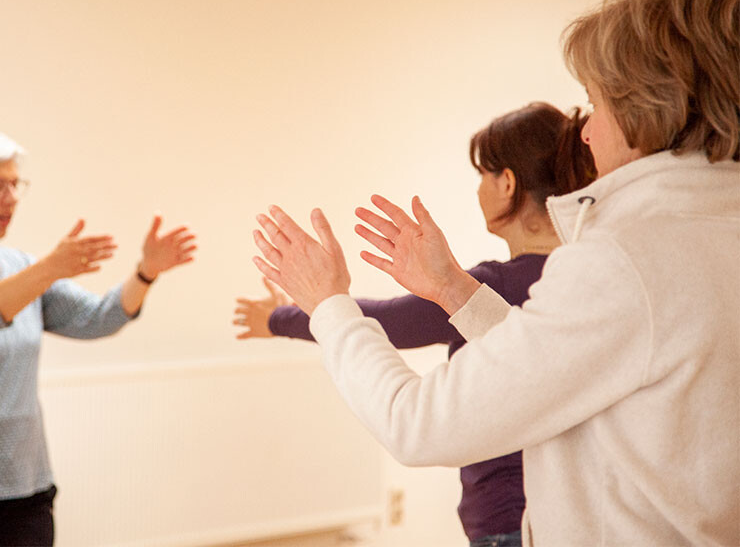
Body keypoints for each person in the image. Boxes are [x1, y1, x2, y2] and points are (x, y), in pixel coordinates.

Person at [250, 0, 739, 545]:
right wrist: (454, 290)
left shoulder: (621, 260)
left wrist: (326, 300)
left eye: (596, 105)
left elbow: (416, 424)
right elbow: (575, 360)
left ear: (646, 107)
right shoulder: (708, 230)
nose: (584, 135)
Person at [235, 102, 594, 546]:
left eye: (482, 174)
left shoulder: (492, 285)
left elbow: (386, 325)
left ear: (507, 182)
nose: (478, 189)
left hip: (509, 524)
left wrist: (279, 316)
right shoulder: (584, 280)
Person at [0, 125, 197, 546]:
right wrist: (48, 269)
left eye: (14, 185)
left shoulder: (20, 268)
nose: (10, 199)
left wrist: (145, 273)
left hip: (22, 491)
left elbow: (97, 317)